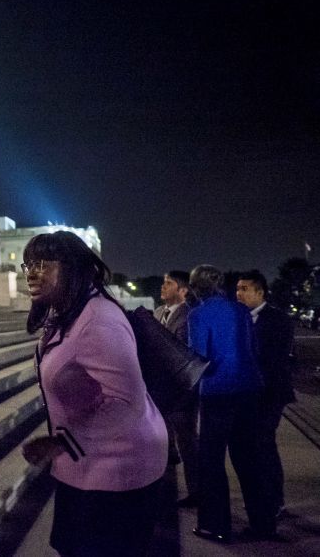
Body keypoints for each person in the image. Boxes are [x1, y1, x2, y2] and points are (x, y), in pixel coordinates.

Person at [20, 231, 168, 556]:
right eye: (28, 264)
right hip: (85, 462)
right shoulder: (66, 315)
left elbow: (125, 403)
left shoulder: (99, 320)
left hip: (118, 471)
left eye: (43, 264)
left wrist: (61, 442)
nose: (31, 272)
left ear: (72, 268)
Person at [187, 264, 274, 542]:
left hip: (218, 391)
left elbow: (199, 356)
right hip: (249, 389)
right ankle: (264, 524)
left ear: (196, 287)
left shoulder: (198, 314)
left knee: (212, 461)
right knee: (249, 459)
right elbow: (254, 349)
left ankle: (216, 525)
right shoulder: (240, 311)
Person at [236, 270, 296, 519]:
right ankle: (264, 498)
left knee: (263, 444)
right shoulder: (240, 318)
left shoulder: (277, 320)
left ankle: (275, 500)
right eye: (238, 288)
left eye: (245, 289)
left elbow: (275, 360)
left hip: (271, 393)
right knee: (254, 446)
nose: (239, 293)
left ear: (260, 292)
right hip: (249, 394)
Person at [155, 270, 200, 506]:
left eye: (169, 283)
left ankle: (197, 492)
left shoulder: (190, 317)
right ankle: (162, 491)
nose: (163, 287)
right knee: (162, 444)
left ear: (182, 290)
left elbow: (184, 354)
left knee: (188, 444)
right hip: (160, 393)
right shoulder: (158, 312)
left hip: (181, 394)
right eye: (163, 282)